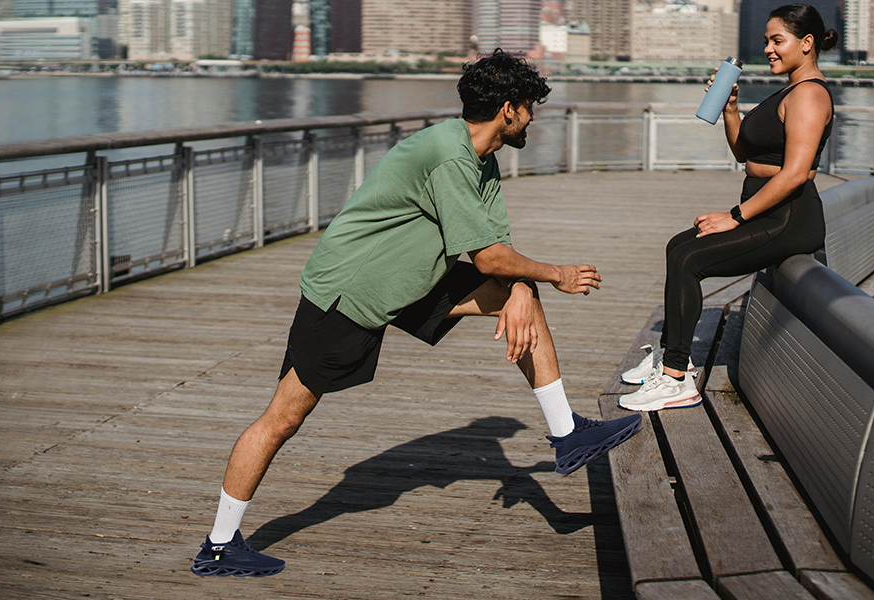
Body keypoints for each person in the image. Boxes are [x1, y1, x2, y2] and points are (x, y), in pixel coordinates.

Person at [189, 49, 645, 578]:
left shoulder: (483, 157)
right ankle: (219, 545)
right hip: (349, 292)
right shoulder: (448, 156)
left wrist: (522, 287)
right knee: (283, 418)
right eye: (529, 108)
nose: (534, 118)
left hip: (410, 279)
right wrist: (556, 273)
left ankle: (566, 435)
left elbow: (496, 248)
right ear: (507, 110)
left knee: (521, 297)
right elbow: (490, 257)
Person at [616, 4, 837, 411]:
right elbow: (745, 155)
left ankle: (676, 380)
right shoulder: (789, 90)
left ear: (807, 44)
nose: (768, 49)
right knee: (678, 247)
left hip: (789, 217)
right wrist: (731, 108)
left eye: (777, 40)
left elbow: (793, 175)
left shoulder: (809, 94)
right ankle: (669, 359)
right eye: (767, 40)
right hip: (770, 212)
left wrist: (733, 217)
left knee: (690, 260)